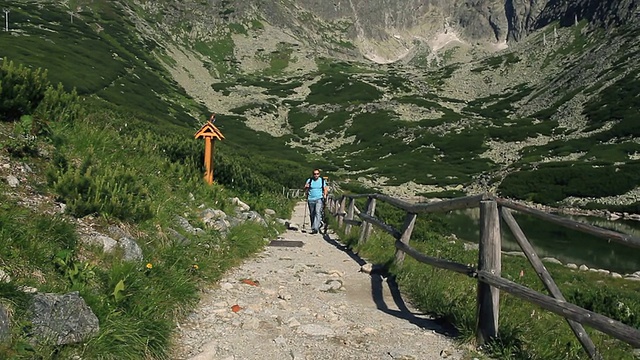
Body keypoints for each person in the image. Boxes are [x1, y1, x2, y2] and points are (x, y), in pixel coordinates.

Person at [304, 168, 328, 234]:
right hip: (310, 199)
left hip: (319, 198)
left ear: (319, 174)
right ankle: (313, 227)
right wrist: (306, 187)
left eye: (317, 174)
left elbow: (325, 188)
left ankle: (315, 228)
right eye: (315, 174)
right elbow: (305, 189)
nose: (316, 175)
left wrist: (325, 195)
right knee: (312, 213)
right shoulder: (310, 180)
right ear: (313, 174)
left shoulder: (322, 180)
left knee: (317, 212)